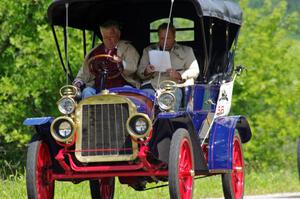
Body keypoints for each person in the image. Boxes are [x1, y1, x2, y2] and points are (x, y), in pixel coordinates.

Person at [137, 23, 199, 110]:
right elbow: (139, 72)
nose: (165, 41)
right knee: (144, 104)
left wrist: (180, 75)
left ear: (174, 37)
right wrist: (147, 71)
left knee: (170, 103)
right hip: (152, 84)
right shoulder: (149, 50)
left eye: (168, 38)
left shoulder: (186, 51)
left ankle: (170, 122)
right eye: (162, 38)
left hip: (174, 85)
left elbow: (195, 70)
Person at [73, 20, 140, 98]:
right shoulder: (94, 52)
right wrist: (78, 83)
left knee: (127, 91)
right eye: (105, 37)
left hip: (122, 87)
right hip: (98, 89)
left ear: (118, 35)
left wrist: (121, 62)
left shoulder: (128, 48)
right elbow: (84, 72)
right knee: (87, 91)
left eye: (111, 37)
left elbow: (133, 68)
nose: (109, 40)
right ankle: (91, 110)